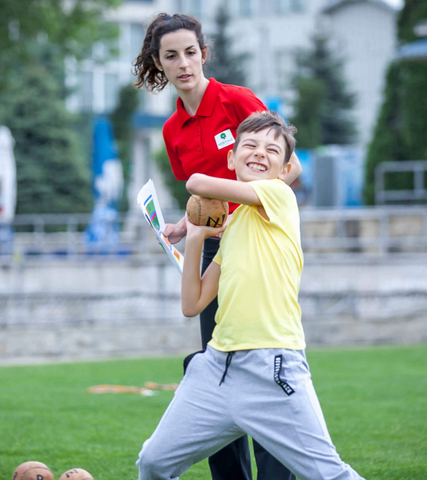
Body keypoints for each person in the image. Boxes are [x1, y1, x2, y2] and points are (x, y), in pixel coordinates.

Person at [136, 112, 365, 480]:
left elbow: (196, 180)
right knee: (153, 463)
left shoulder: (279, 195)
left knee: (329, 475)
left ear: (285, 167)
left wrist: (201, 203)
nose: (259, 153)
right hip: (216, 369)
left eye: (271, 150)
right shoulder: (233, 227)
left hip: (273, 367)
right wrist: (194, 237)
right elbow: (191, 304)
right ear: (232, 157)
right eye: (250, 145)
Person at [133, 13, 301, 480]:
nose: (183, 63)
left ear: (204, 54)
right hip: (212, 253)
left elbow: (292, 169)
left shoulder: (238, 101)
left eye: (190, 52)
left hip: (257, 248)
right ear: (159, 63)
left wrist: (240, 209)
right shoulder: (171, 132)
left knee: (263, 369)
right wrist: (182, 227)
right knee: (217, 368)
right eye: (171, 56)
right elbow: (202, 203)